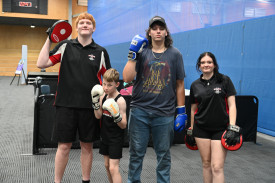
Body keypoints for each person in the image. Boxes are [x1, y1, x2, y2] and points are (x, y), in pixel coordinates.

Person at [36, 12, 111, 183]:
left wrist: (107, 101)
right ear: (76, 27)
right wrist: (50, 38)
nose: (85, 25)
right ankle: (57, 181)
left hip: (90, 108)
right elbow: (41, 63)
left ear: (94, 28)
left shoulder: (101, 52)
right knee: (63, 146)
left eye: (88, 23)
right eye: (81, 22)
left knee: (87, 147)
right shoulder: (65, 46)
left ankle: (86, 180)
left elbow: (108, 80)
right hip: (65, 105)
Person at [123, 16, 186, 183]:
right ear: (149, 32)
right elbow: (127, 78)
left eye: (161, 28)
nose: (158, 31)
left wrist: (181, 111)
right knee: (136, 153)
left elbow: (180, 84)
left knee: (164, 155)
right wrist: (132, 54)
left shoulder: (175, 54)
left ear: (166, 32)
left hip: (164, 113)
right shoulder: (142, 52)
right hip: (139, 111)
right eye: (154, 28)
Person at [189, 52, 238, 183]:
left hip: (220, 129)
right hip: (201, 129)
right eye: (203, 62)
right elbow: (194, 109)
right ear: (199, 66)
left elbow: (232, 105)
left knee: (217, 167)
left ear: (214, 65)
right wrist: (191, 129)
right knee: (206, 164)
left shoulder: (225, 80)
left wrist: (232, 128)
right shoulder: (195, 85)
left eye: (209, 62)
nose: (206, 65)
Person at [92, 68, 127, 183]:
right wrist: (95, 103)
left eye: (110, 85)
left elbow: (123, 125)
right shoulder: (103, 96)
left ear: (117, 84)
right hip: (105, 136)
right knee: (107, 165)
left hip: (115, 138)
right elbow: (98, 116)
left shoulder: (120, 100)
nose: (106, 88)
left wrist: (116, 115)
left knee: (113, 167)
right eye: (104, 84)